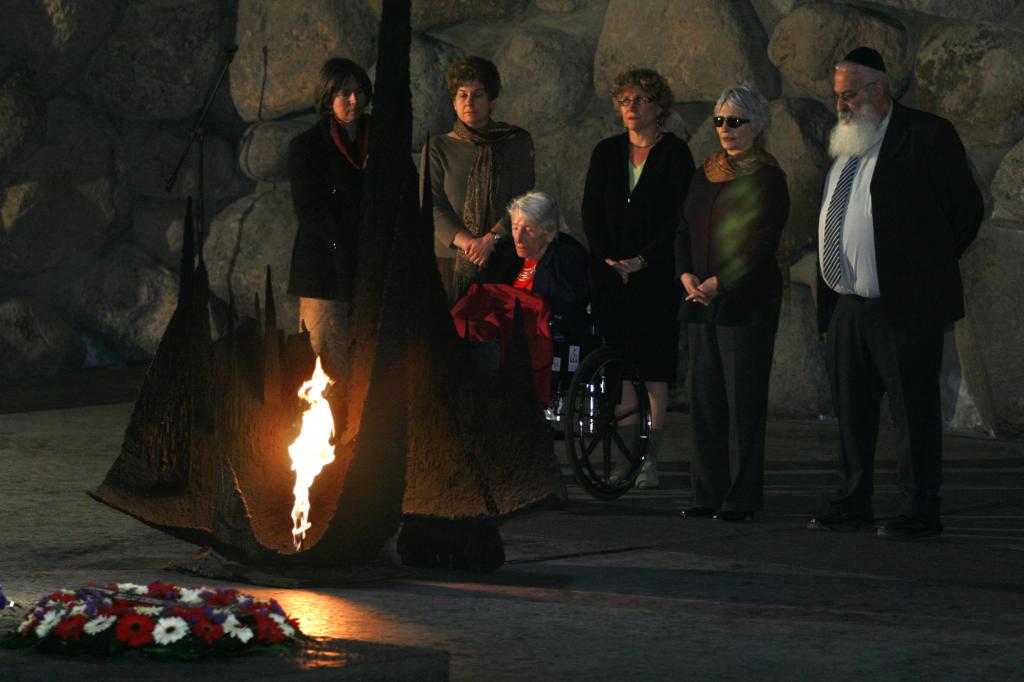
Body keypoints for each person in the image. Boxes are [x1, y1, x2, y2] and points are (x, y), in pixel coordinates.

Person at [806, 47, 983, 539]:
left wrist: (921, 269)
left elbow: (965, 210)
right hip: (848, 305)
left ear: (878, 91)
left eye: (848, 95)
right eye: (836, 96)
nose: (839, 105)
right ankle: (854, 498)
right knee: (853, 411)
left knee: (913, 412)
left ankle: (919, 507)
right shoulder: (846, 141)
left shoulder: (925, 135)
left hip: (903, 306)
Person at [675, 86, 789, 522]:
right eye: (720, 120)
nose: (726, 129)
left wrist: (720, 282)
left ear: (757, 127)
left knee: (742, 401)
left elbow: (761, 242)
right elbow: (683, 228)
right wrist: (686, 274)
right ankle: (708, 492)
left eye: (736, 121)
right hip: (700, 300)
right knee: (704, 399)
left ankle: (742, 496)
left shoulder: (767, 177)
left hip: (746, 303)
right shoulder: (704, 173)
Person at [582, 67, 695, 488]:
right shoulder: (606, 151)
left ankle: (649, 459)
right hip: (612, 278)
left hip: (654, 279)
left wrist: (643, 260)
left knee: (653, 370)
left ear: (658, 107)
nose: (632, 107)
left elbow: (678, 216)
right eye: (626, 100)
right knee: (619, 368)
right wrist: (609, 259)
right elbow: (591, 211)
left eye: (641, 100)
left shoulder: (674, 154)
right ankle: (625, 458)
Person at [423, 56, 535, 305]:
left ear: (491, 101)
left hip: (502, 257)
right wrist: (470, 245)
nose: (469, 102)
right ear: (453, 102)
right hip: (449, 261)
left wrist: (489, 240)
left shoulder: (514, 142)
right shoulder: (438, 147)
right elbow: (431, 203)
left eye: (478, 94)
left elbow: (522, 200)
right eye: (462, 95)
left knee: (496, 336)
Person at [287, 57, 372, 377]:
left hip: (369, 263)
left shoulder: (378, 137)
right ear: (327, 97)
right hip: (325, 265)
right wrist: (358, 230)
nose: (354, 100)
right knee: (323, 355)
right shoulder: (307, 146)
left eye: (359, 91)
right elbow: (310, 210)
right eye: (344, 93)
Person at [481, 191, 589, 327]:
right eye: (515, 228)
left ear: (550, 233)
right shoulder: (505, 254)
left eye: (528, 229)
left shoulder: (567, 260)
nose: (518, 238)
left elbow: (566, 312)